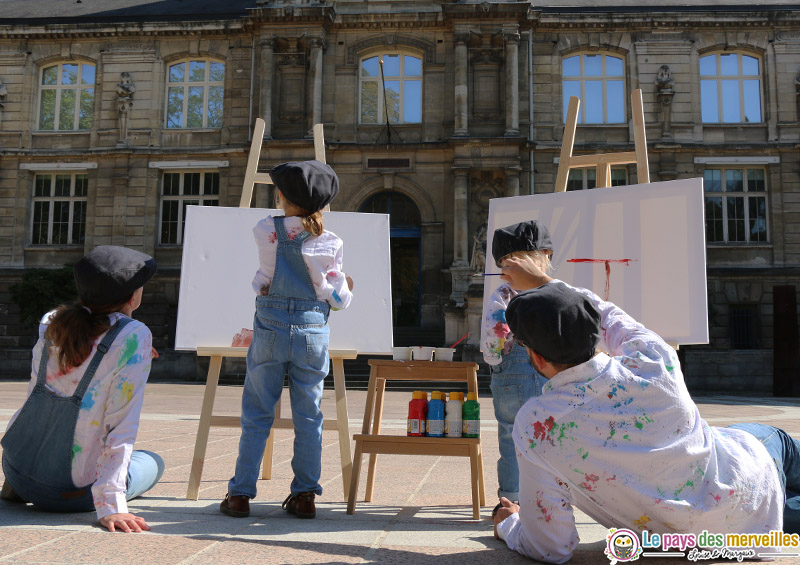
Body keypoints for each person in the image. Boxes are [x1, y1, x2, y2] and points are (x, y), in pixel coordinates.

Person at [492, 254, 797, 563]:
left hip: (731, 534)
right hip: (750, 472)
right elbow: (609, 316)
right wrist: (544, 283)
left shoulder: (538, 427)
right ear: (593, 333)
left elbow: (550, 547)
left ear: (538, 358)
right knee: (776, 443)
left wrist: (509, 523)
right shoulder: (652, 361)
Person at [220, 160, 354, 519]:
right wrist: (345, 289)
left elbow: (266, 276)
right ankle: (305, 496)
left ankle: (240, 495)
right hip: (312, 331)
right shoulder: (330, 241)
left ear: (281, 196)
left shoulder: (265, 229)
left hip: (270, 326)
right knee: (309, 417)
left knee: (257, 412)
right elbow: (338, 301)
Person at [1, 246, 164, 533]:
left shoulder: (52, 323)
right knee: (152, 461)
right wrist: (111, 507)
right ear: (132, 296)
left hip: (18, 469)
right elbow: (121, 426)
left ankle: (14, 486)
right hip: (70, 493)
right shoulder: (134, 335)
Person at [481, 221, 551, 505]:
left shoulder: (503, 295)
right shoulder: (550, 292)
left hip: (509, 374)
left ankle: (510, 499)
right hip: (548, 370)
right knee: (547, 438)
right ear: (544, 256)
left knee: (510, 436)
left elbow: (491, 343)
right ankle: (546, 499)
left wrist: (496, 362)